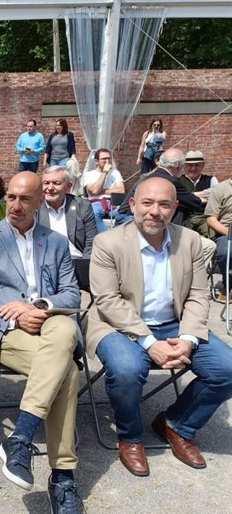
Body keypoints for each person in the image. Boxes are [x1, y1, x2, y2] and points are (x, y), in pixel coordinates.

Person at [86, 176, 232, 477]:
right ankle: (129, 435)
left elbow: (198, 294)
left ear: (174, 206)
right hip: (119, 326)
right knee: (127, 370)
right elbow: (107, 300)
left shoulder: (190, 241)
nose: (155, 211)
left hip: (175, 324)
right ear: (132, 205)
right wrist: (150, 343)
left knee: (227, 369)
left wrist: (188, 339)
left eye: (164, 204)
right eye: (147, 203)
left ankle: (177, 424)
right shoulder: (107, 242)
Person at [0, 171, 84, 514]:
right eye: (12, 198)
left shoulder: (56, 242)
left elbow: (71, 295)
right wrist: (16, 316)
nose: (16, 206)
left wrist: (38, 307)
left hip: (50, 324)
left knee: (64, 330)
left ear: (39, 203)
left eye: (25, 199)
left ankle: (20, 437)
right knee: (68, 373)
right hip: (6, 331)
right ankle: (63, 477)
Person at [38, 166, 97, 259]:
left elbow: (91, 243)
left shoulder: (82, 206)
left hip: (75, 261)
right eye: (46, 183)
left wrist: (86, 267)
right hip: (45, 262)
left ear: (68, 186)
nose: (50, 188)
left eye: (56, 183)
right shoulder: (34, 207)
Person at [83, 149, 125, 233]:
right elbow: (94, 192)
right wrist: (105, 172)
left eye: (109, 158)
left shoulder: (115, 173)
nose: (107, 161)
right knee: (93, 215)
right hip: (96, 203)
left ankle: (119, 236)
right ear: (96, 161)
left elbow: (121, 190)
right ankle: (105, 236)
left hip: (113, 203)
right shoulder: (89, 174)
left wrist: (101, 191)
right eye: (104, 159)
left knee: (127, 215)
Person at [180, 150, 218, 239]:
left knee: (213, 236)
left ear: (202, 166)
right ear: (184, 166)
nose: (193, 168)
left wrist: (188, 196)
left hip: (205, 217)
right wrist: (204, 196)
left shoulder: (211, 179)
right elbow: (177, 197)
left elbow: (216, 192)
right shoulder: (178, 180)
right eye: (190, 165)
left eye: (197, 165)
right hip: (186, 217)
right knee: (184, 239)